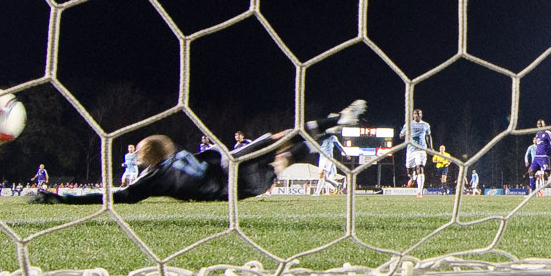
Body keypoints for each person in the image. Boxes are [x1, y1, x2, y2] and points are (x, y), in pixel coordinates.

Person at [31, 101, 366, 205]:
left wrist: (62, 198)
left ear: (150, 157)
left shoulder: (154, 178)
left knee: (282, 154)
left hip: (234, 186)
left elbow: (116, 196)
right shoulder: (174, 159)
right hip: (231, 171)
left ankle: (333, 125)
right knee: (281, 142)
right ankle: (334, 122)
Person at [405, 108, 431, 195]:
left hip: (421, 150)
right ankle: (412, 177)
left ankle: (419, 191)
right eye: (416, 114)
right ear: (413, 115)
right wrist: (407, 134)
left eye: (419, 114)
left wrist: (431, 147)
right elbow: (401, 135)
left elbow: (428, 136)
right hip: (410, 150)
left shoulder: (425, 125)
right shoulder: (408, 124)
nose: (418, 115)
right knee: (409, 169)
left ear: (421, 115)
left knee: (420, 167)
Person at [528, 120, 551, 194]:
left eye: (541, 124)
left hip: (544, 157)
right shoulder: (537, 134)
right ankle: (533, 192)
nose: (539, 125)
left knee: (547, 174)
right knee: (531, 171)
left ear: (544, 125)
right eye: (538, 124)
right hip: (537, 157)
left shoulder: (548, 133)